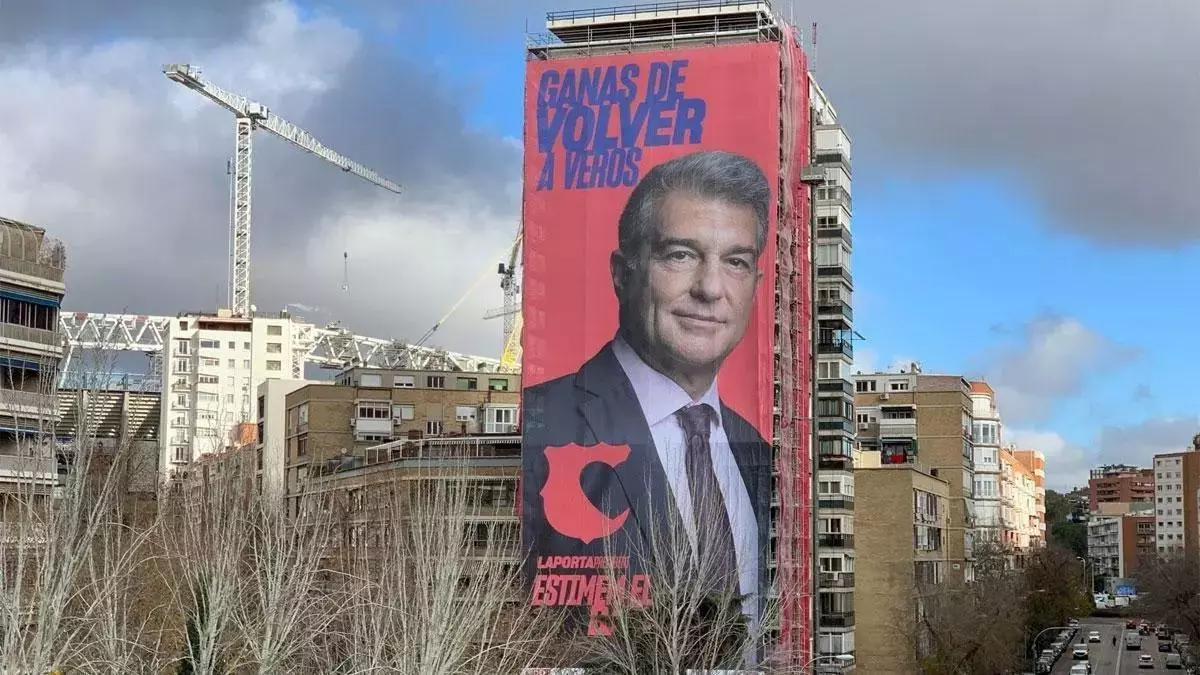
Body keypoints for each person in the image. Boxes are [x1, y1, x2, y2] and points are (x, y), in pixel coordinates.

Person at [522, 149, 773, 619]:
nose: (710, 288)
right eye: (680, 255)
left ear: (756, 284)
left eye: (735, 262)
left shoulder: (759, 452)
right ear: (622, 274)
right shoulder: (540, 423)